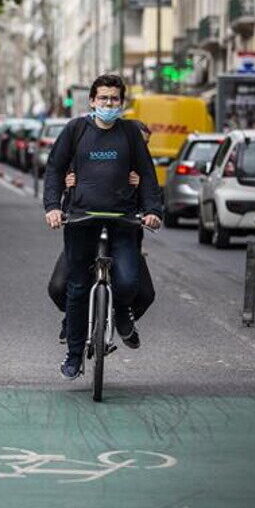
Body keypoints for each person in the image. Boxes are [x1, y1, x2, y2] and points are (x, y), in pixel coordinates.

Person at [43, 74, 162, 380]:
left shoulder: (130, 134)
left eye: (114, 99)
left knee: (128, 282)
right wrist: (53, 207)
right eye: (104, 99)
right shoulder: (76, 130)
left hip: (123, 222)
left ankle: (121, 313)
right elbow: (55, 168)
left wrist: (152, 211)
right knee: (76, 287)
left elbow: (147, 175)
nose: (109, 104)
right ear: (93, 101)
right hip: (81, 220)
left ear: (121, 103)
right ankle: (73, 357)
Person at [47, 119, 156, 345]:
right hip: (84, 228)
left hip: (125, 234)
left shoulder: (143, 171)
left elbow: (154, 197)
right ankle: (73, 317)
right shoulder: (87, 152)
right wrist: (64, 194)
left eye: (144, 145)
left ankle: (121, 314)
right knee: (59, 287)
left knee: (143, 293)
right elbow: (60, 173)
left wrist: (149, 207)